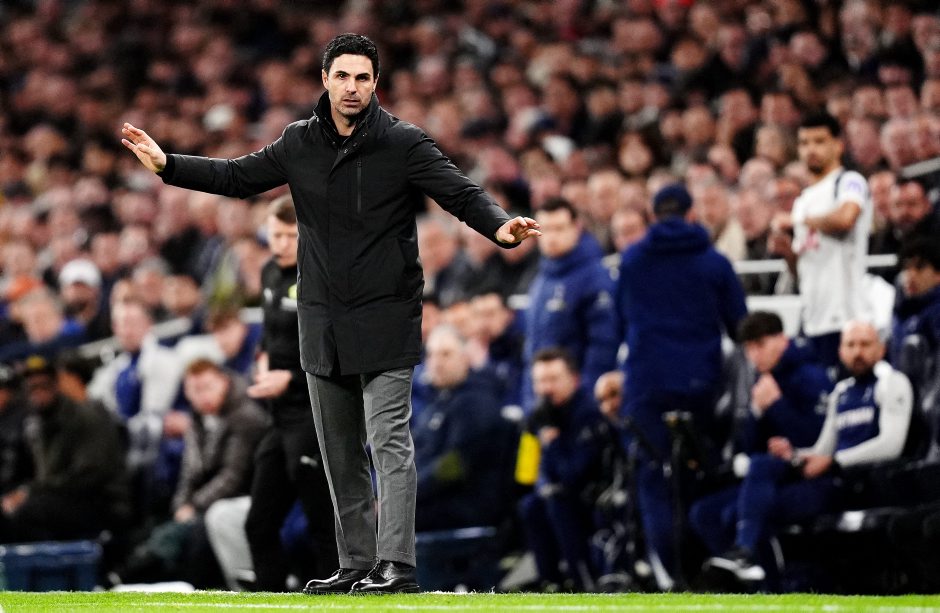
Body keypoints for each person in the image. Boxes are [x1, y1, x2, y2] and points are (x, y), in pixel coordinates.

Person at [121, 33, 540, 595]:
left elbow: (460, 193)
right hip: (322, 320)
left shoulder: (402, 142)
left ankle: (397, 566)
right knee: (339, 453)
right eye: (342, 76)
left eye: (362, 77)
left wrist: (499, 225)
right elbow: (236, 177)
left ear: (375, 83)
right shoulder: (298, 142)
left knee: (388, 442)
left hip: (386, 314)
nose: (352, 87)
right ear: (324, 79)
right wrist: (169, 165)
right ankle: (357, 564)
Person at [705, 320, 913, 585]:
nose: (857, 352)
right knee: (763, 464)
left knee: (757, 508)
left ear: (881, 349)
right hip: (830, 476)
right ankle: (746, 556)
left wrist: (835, 461)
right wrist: (794, 453)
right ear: (840, 351)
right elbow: (821, 449)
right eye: (850, 345)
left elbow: (891, 445)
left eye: (865, 344)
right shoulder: (842, 392)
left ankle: (761, 571)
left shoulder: (891, 383)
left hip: (861, 483)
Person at [615, 182, 748, 588]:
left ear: (653, 216)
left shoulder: (632, 260)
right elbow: (740, 325)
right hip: (700, 382)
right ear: (692, 214)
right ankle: (705, 570)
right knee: (699, 473)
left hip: (647, 384)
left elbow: (620, 321)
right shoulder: (714, 261)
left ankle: (672, 578)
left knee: (655, 477)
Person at [243, 195, 338, 591]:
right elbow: (269, 336)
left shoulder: (321, 277)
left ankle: (340, 596)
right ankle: (271, 597)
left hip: (314, 413)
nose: (280, 244)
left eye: (289, 235)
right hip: (280, 417)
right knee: (258, 522)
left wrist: (291, 378)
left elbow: (335, 349)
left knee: (323, 521)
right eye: (274, 234)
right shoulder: (269, 273)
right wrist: (263, 361)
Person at [111, 359, 269, 588]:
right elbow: (189, 473)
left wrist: (193, 506)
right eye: (195, 389)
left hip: (242, 497)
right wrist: (181, 506)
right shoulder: (196, 420)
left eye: (207, 387)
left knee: (193, 539)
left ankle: (134, 575)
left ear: (224, 383)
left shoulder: (246, 417)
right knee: (148, 529)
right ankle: (129, 576)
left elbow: (233, 477)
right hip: (207, 503)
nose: (202, 396)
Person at [688, 311, 833, 558]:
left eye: (760, 345)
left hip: (808, 474)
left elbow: (820, 438)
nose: (755, 355)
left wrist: (777, 405)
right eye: (749, 348)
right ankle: (739, 573)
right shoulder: (762, 381)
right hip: (769, 477)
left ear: (782, 340)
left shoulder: (810, 376)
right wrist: (756, 412)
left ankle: (749, 555)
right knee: (704, 513)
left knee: (738, 508)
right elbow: (746, 448)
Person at [771, 113, 873, 369]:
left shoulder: (849, 181)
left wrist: (798, 221)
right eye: (804, 143)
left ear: (838, 145)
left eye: (819, 141)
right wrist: (787, 253)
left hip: (846, 318)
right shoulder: (803, 200)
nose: (810, 150)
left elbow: (846, 218)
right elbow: (802, 270)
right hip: (812, 318)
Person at [519, 348, 619, 592]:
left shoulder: (587, 413)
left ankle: (583, 582)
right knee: (531, 505)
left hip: (594, 495)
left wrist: (553, 443)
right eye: (540, 381)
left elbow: (575, 473)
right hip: (561, 494)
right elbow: (526, 475)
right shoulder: (541, 415)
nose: (546, 388)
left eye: (553, 379)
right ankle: (550, 583)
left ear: (574, 379)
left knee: (558, 502)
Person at [0, 356, 129, 543]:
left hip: (101, 502)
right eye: (32, 387)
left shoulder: (85, 416)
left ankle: (54, 562)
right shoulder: (37, 424)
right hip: (61, 498)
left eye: (44, 385)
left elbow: (88, 476)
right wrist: (24, 492)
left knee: (29, 512)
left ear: (56, 385)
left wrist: (31, 492)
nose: (38, 392)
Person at [413, 325, 514, 531]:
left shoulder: (476, 403)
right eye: (431, 355)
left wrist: (403, 493)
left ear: (465, 358)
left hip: (467, 507)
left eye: (446, 354)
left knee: (381, 522)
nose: (436, 363)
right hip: (436, 501)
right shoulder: (439, 401)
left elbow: (454, 466)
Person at [524, 197, 619, 410]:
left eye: (559, 228)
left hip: (578, 403)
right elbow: (532, 349)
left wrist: (585, 403)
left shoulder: (595, 278)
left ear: (576, 227)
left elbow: (603, 347)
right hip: (544, 402)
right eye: (544, 230)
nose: (551, 237)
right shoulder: (540, 280)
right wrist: (530, 404)